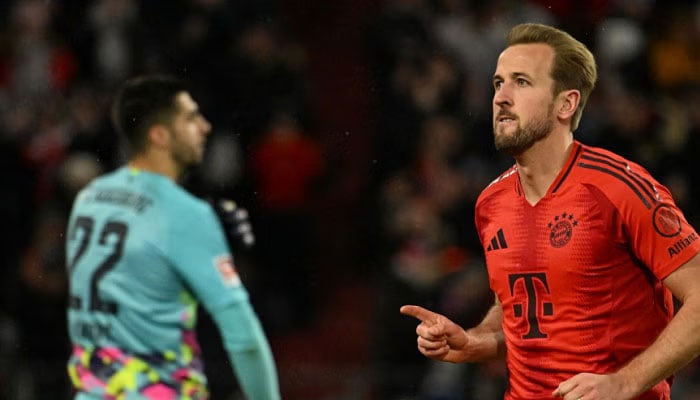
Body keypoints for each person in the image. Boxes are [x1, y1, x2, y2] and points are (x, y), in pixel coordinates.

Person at [400, 23, 700, 400]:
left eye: (521, 82)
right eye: (498, 83)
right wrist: (475, 341)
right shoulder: (491, 204)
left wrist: (626, 381)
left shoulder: (619, 188)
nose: (501, 97)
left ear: (566, 104)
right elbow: (519, 312)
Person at [64, 75, 281, 399]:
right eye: (191, 117)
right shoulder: (184, 214)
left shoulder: (89, 198)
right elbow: (244, 337)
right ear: (160, 136)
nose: (205, 126)